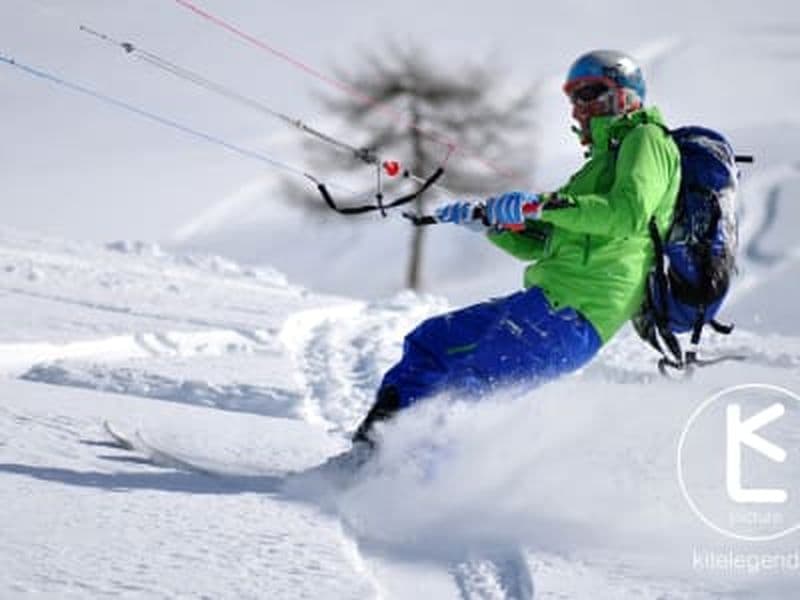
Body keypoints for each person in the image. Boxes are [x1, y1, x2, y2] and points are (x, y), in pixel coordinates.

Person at [348, 49, 682, 460]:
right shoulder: (596, 165)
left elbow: (627, 214)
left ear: (626, 94)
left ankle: (419, 485)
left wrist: (541, 205)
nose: (579, 107)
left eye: (591, 92)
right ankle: (367, 456)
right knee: (431, 342)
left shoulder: (646, 139)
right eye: (573, 97)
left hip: (579, 312)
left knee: (474, 386)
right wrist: (491, 223)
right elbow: (542, 244)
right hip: (545, 301)